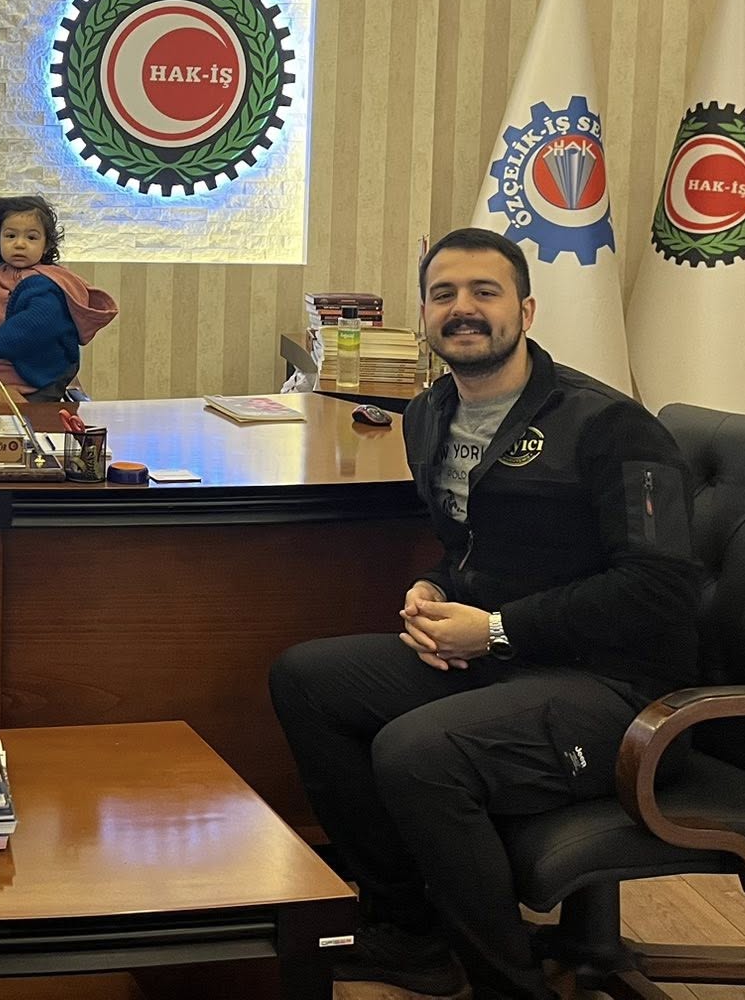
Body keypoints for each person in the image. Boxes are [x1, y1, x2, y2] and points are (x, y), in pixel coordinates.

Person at [267, 227, 700, 1000]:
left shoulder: (612, 427)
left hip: (622, 689)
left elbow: (660, 588)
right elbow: (477, 545)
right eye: (444, 294)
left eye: (485, 292)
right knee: (307, 678)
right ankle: (410, 934)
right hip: (506, 660)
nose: (462, 309)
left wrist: (497, 630)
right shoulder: (430, 413)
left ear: (526, 311)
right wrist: (435, 588)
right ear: (425, 316)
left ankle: (507, 985)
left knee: (416, 752)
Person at [0, 195, 118, 402]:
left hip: (35, 371)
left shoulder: (45, 280)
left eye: (31, 238)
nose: (19, 244)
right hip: (4, 361)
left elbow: (40, 318)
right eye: (10, 236)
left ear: (46, 245)